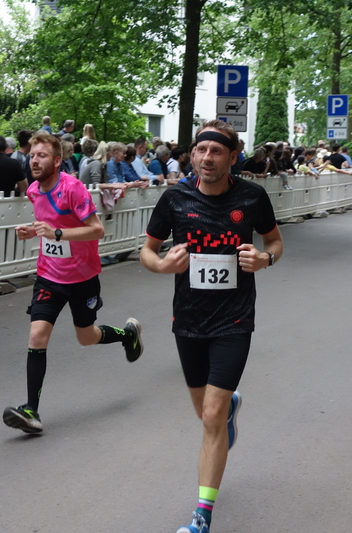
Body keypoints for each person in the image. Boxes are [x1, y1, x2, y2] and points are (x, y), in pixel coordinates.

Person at [139, 119, 283, 533]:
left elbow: (275, 242)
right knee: (205, 412)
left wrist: (265, 259)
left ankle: (201, 517)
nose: (206, 158)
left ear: (233, 157)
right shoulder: (175, 198)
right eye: (201, 150)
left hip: (234, 319)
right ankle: (229, 410)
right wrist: (162, 265)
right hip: (188, 320)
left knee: (211, 416)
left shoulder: (252, 197)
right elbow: (147, 251)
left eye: (216, 151)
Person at [3, 132, 144, 434]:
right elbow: (48, 225)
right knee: (37, 335)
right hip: (49, 276)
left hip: (82, 277)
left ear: (57, 161)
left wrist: (56, 233)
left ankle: (127, 334)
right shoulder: (33, 190)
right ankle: (31, 411)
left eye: (41, 156)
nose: (34, 161)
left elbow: (97, 230)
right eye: (32, 155)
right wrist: (33, 231)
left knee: (87, 337)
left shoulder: (73, 188)